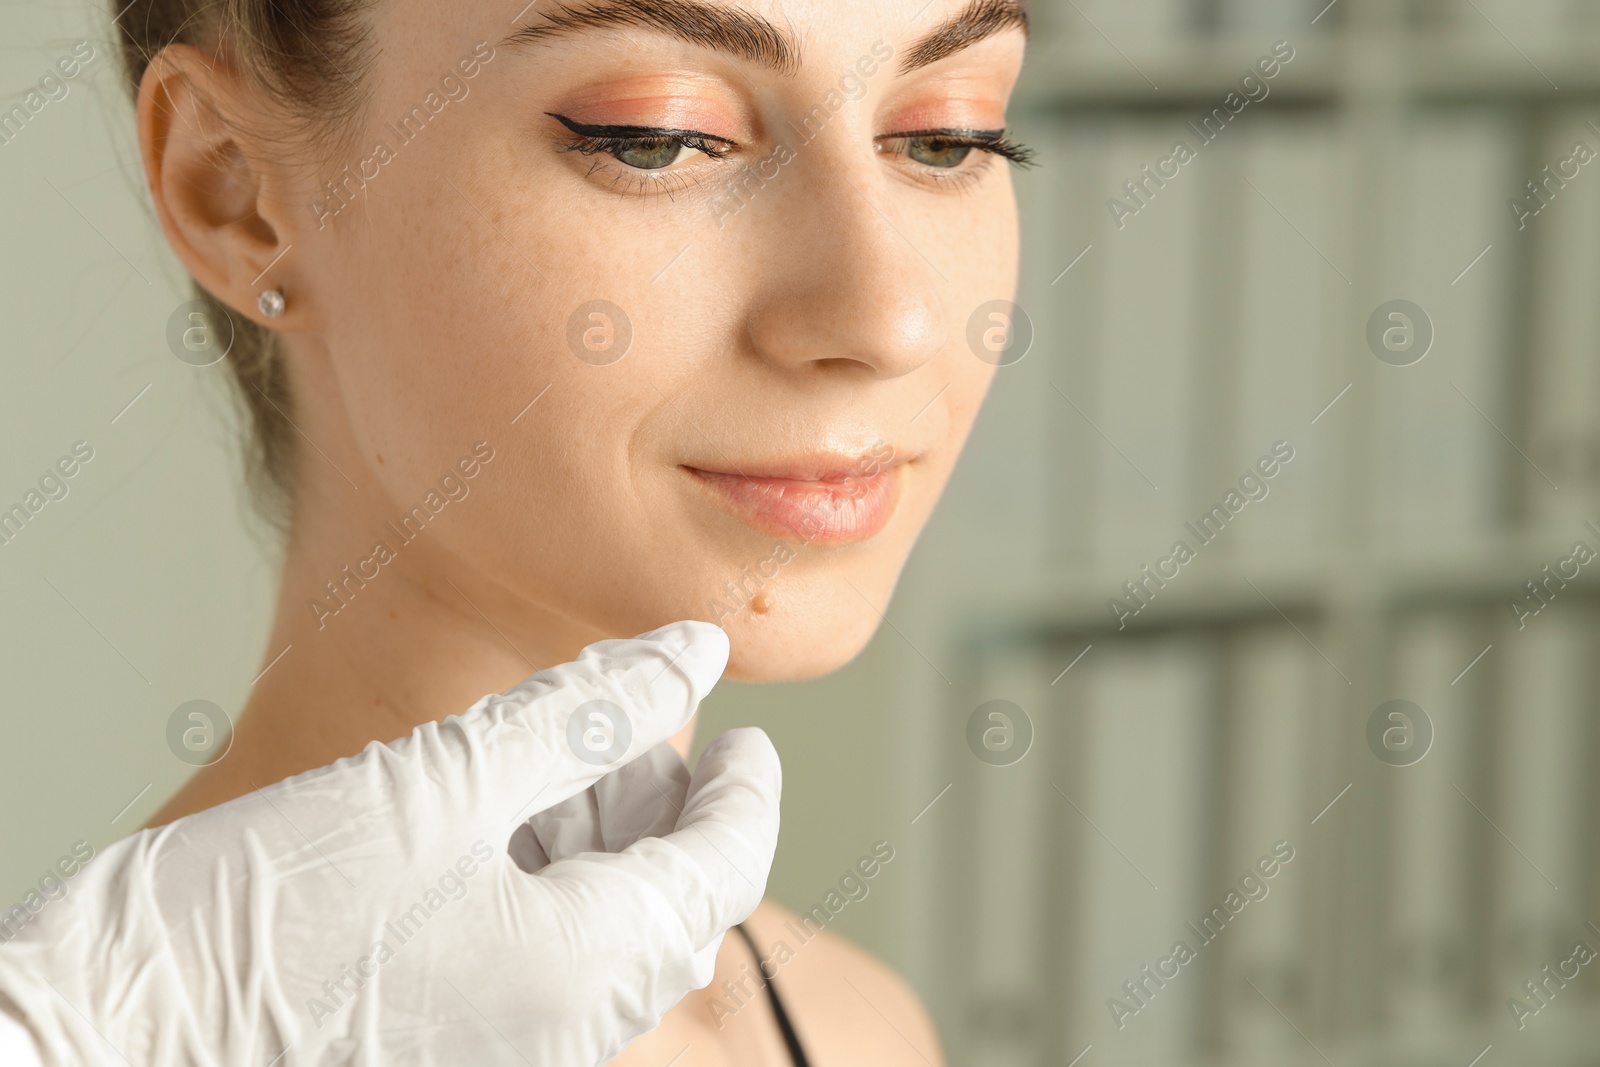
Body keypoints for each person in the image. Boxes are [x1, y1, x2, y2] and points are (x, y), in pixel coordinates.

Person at [3, 0, 1031, 1060]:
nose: (886, 317)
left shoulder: (854, 1026)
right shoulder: (108, 1022)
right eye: (659, 137)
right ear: (236, 192)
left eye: (946, 137)